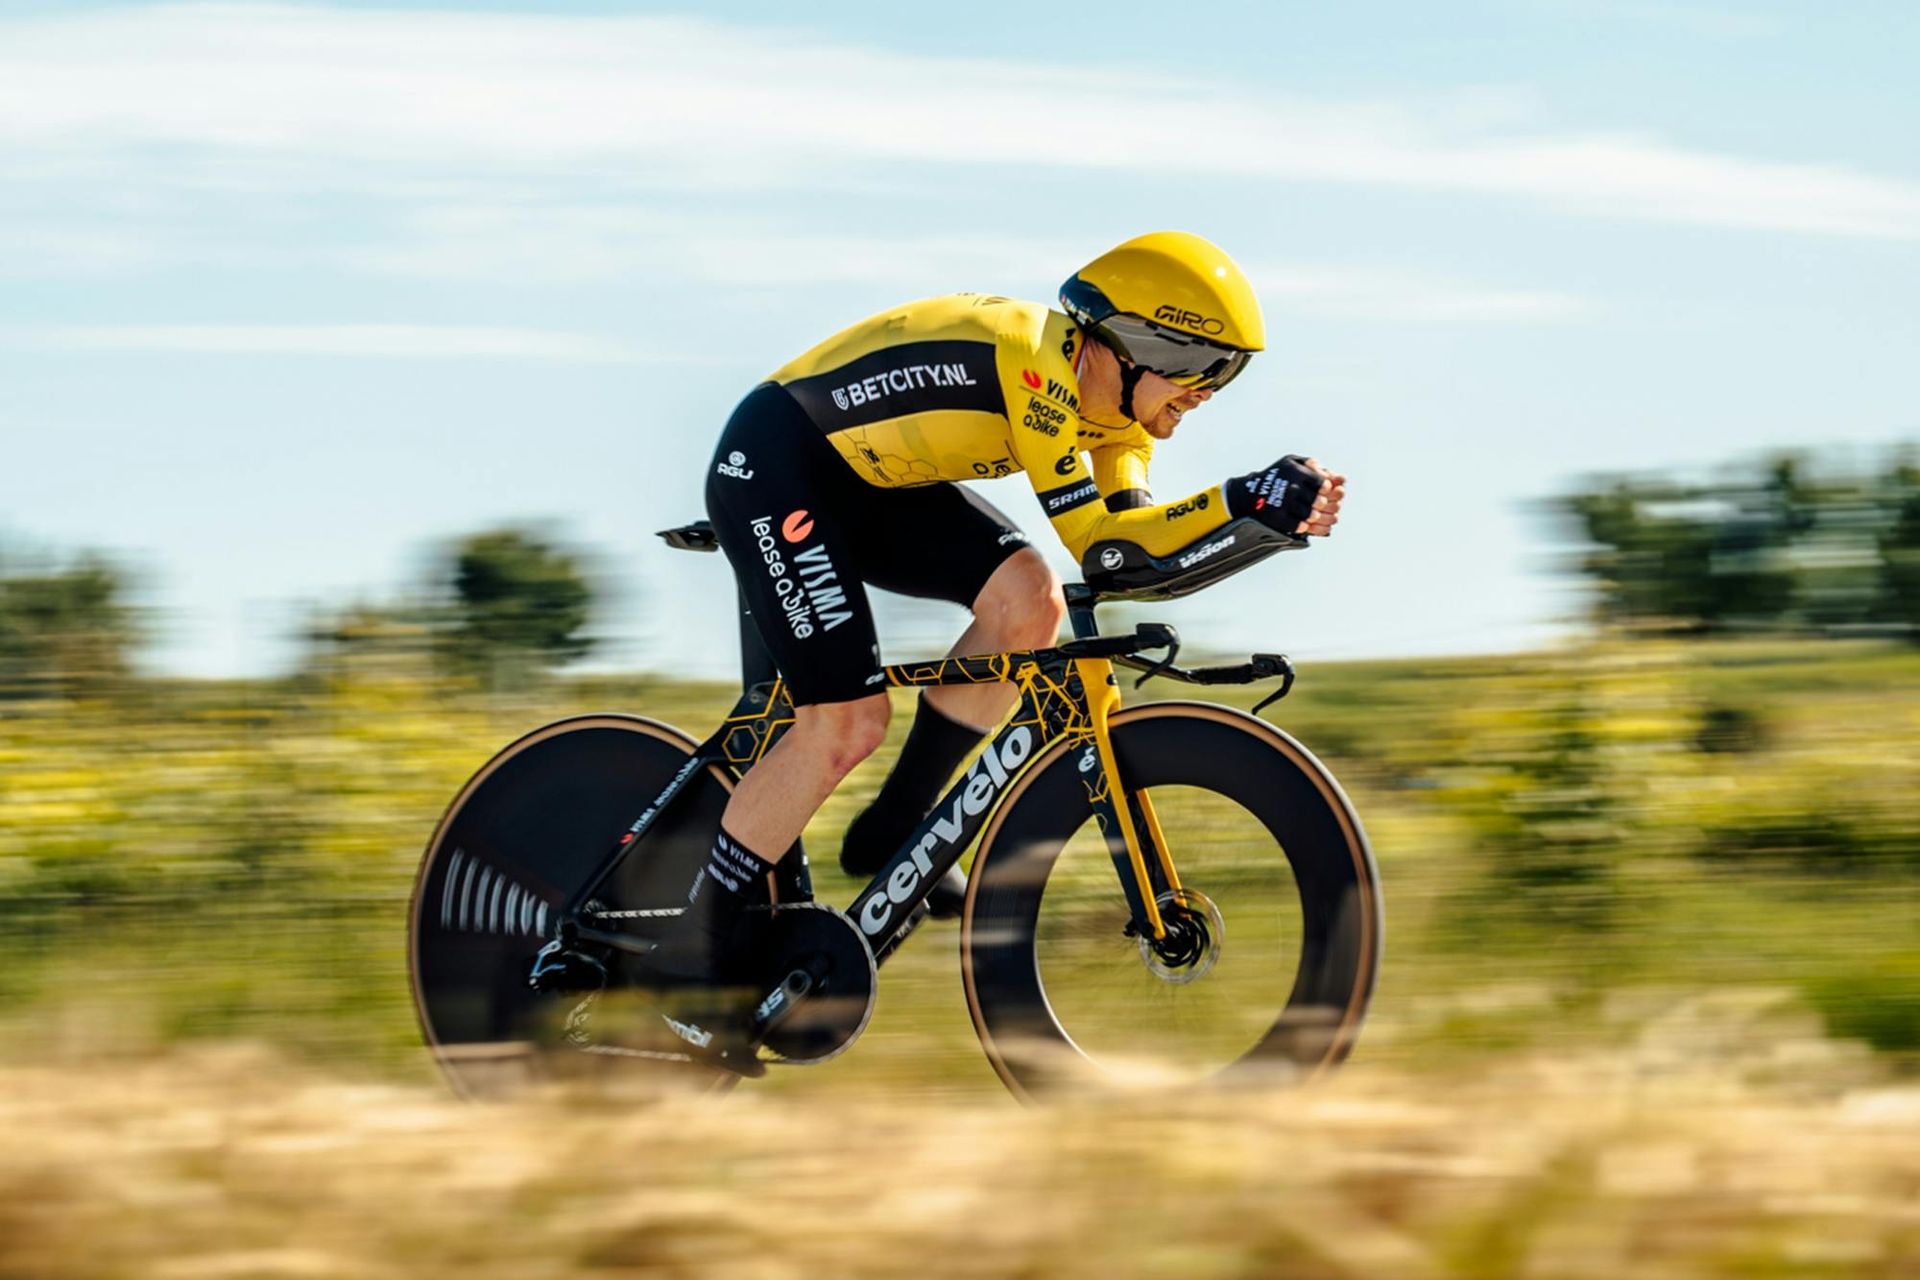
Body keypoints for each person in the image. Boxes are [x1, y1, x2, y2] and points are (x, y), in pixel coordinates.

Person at [659, 231, 1345, 1042]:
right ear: (1132, 344)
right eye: (1197, 373)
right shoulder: (1036, 368)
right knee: (845, 722)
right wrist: (1240, 497)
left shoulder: (1113, 423)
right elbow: (1106, 543)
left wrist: (1260, 520)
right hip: (780, 466)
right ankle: (689, 959)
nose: (1198, 399)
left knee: (1029, 602)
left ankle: (896, 829)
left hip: (871, 482)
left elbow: (1130, 550)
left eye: (1217, 382)